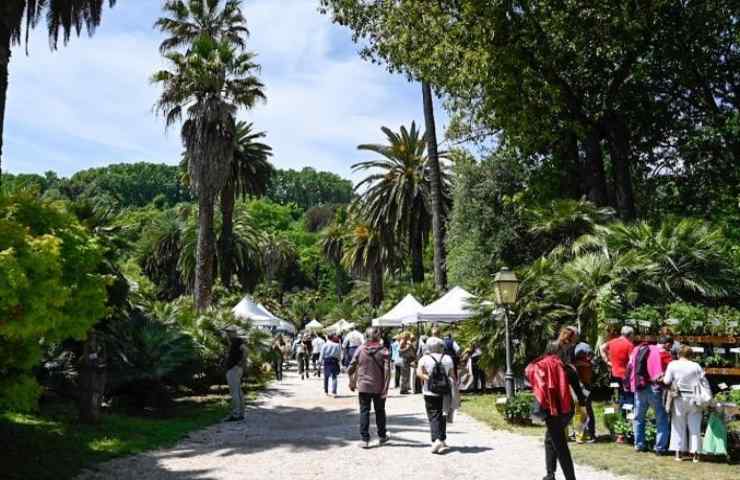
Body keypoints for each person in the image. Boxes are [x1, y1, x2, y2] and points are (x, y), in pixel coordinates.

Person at [527, 340, 577, 480]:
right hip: (567, 409)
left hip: (553, 410)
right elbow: (578, 390)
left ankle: (570, 478)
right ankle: (550, 474)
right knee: (550, 439)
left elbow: (535, 383)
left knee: (560, 445)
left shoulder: (540, 366)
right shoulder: (567, 367)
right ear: (559, 352)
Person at [348, 327, 391, 448]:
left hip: (363, 387)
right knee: (380, 411)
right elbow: (387, 373)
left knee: (364, 411)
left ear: (366, 336)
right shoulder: (384, 351)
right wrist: (385, 389)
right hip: (379, 388)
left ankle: (365, 440)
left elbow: (350, 367)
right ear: (378, 337)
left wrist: (351, 381)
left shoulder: (360, 349)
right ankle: (382, 436)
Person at [663, 345, 707, 463]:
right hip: (694, 398)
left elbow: (666, 381)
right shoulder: (696, 366)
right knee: (695, 426)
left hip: (678, 398)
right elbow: (703, 381)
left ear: (678, 354)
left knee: (678, 426)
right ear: (691, 355)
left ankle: (678, 453)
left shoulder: (673, 364)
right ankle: (695, 454)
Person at [626, 339, 670, 454]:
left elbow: (629, 367)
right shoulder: (661, 353)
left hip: (640, 387)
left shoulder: (636, 350)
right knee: (661, 418)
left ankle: (639, 445)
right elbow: (668, 369)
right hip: (655, 388)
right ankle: (660, 447)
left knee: (639, 418)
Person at [417, 336, 457, 454]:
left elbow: (419, 373)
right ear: (441, 346)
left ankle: (436, 440)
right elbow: (452, 376)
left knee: (433, 415)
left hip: (429, 391)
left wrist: (429, 379)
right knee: (443, 414)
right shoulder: (448, 358)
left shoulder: (424, 359)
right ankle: (443, 439)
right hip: (445, 391)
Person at [599, 326, 635, 414]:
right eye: (632, 335)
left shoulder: (613, 341)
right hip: (625, 374)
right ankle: (628, 417)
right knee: (629, 395)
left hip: (614, 373)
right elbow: (631, 361)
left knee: (620, 393)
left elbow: (601, 347)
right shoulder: (629, 345)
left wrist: (607, 361)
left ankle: (620, 414)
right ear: (630, 335)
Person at [573, 342, 595, 443]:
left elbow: (589, 364)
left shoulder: (586, 362)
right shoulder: (581, 361)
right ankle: (581, 432)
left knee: (585, 409)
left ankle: (590, 433)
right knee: (580, 410)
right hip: (580, 385)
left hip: (584, 385)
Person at [224, 330, 248, 421]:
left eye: (229, 332)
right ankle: (240, 413)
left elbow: (246, 350)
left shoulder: (237, 341)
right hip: (235, 369)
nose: (227, 334)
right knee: (238, 391)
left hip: (234, 369)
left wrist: (241, 363)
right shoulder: (233, 343)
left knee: (234, 392)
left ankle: (236, 414)